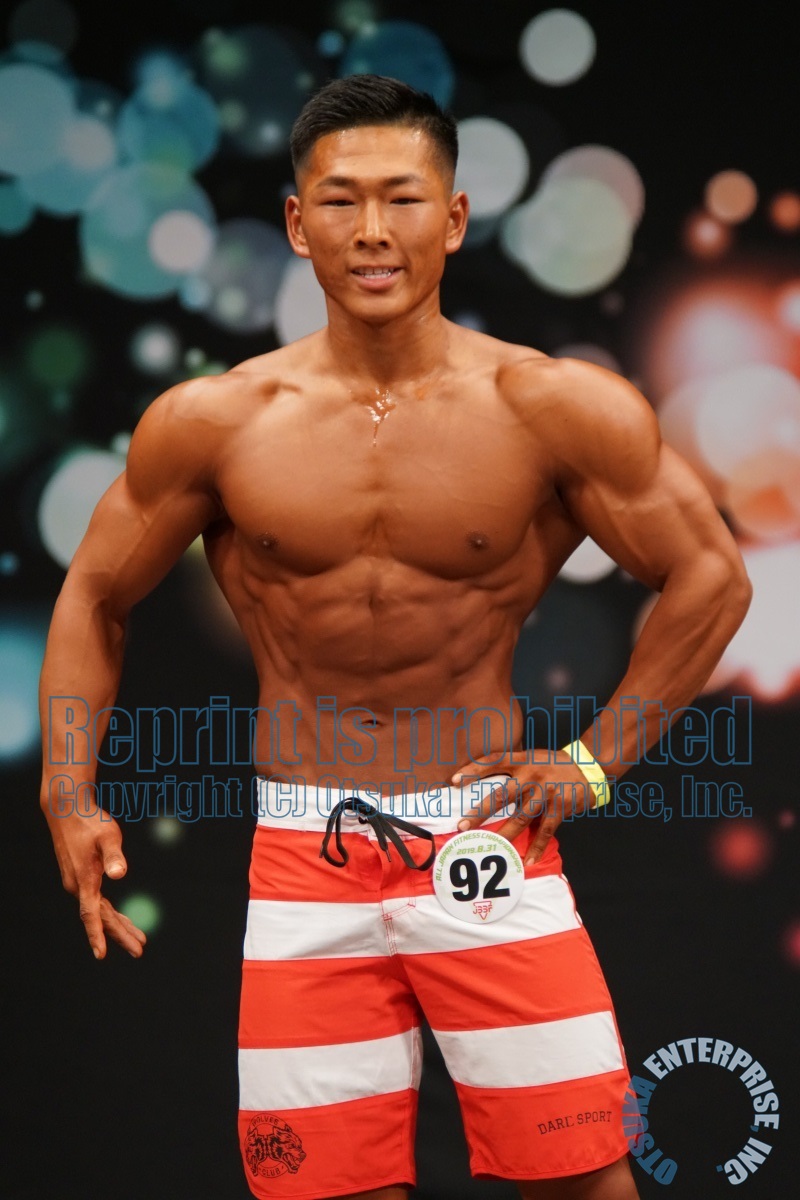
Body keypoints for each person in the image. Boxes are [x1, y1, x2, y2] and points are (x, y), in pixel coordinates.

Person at [39, 74, 751, 1200]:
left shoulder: (549, 407)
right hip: (301, 856)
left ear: (453, 218)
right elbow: (92, 594)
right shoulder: (215, 422)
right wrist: (68, 793)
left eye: (402, 199)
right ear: (296, 223)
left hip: (484, 841)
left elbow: (710, 576)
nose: (372, 230)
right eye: (340, 200)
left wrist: (593, 762)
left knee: (581, 1182)